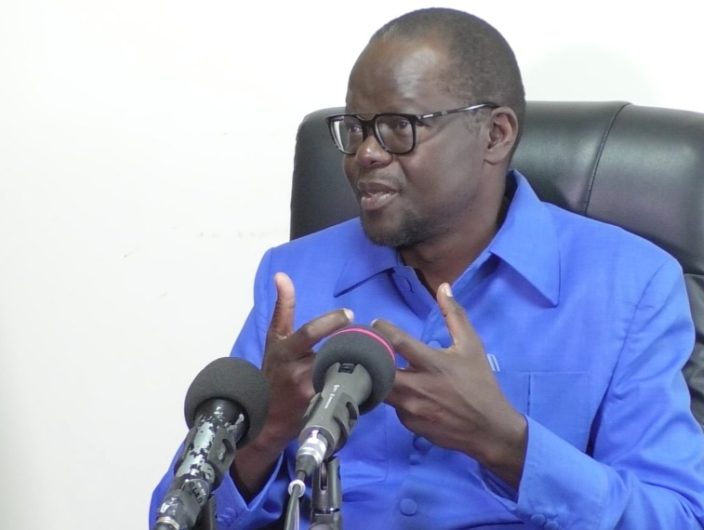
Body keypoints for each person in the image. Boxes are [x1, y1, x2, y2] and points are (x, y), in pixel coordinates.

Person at [151, 8, 704, 529]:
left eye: (398, 127)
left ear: (495, 134)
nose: (366, 153)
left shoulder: (629, 285)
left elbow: (679, 515)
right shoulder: (295, 278)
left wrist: (508, 445)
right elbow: (176, 510)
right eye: (356, 128)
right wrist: (266, 433)